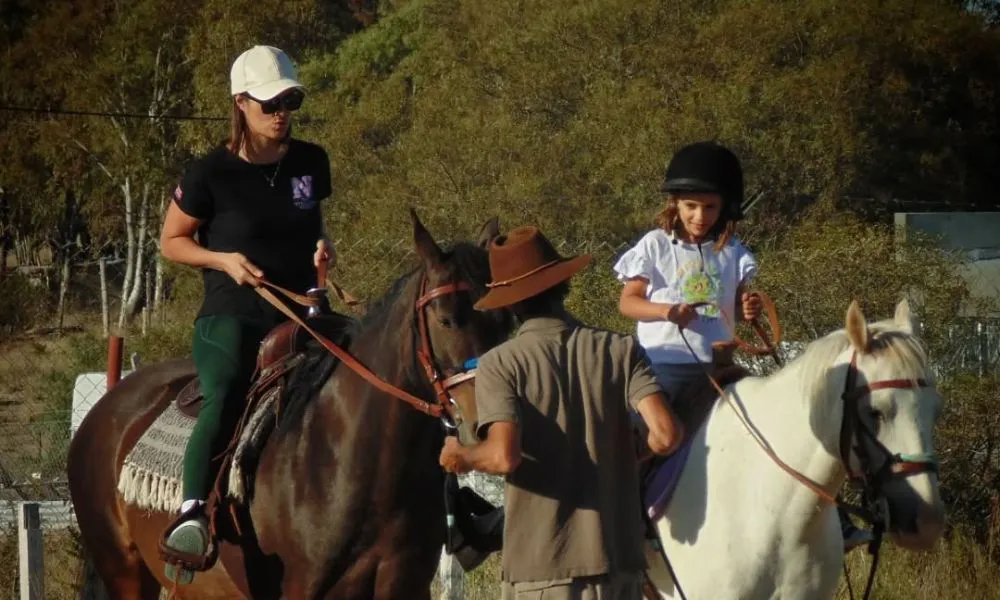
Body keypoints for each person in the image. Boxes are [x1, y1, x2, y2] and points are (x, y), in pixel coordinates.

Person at [612, 140, 872, 552]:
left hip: (720, 365)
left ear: (726, 209)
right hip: (662, 369)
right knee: (655, 437)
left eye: (710, 208)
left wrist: (746, 306)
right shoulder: (654, 246)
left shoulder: (732, 253)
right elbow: (628, 302)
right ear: (675, 203)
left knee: (784, 424)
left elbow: (733, 304)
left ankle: (835, 519)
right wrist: (665, 312)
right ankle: (631, 519)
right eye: (691, 206)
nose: (700, 217)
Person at [158, 44, 334, 583]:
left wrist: (325, 254)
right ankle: (191, 515)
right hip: (232, 314)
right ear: (241, 103)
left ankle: (453, 502)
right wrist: (221, 259)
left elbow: (313, 222)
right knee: (229, 385)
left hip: (303, 309)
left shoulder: (311, 161)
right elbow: (171, 241)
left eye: (290, 101)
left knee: (381, 364)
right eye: (270, 103)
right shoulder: (210, 172)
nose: (282, 112)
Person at [438, 226, 683, 600]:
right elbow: (666, 434)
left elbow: (503, 455)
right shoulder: (619, 349)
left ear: (508, 303)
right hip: (620, 565)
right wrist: (627, 448)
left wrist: (462, 456)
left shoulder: (500, 364)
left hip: (545, 569)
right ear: (562, 284)